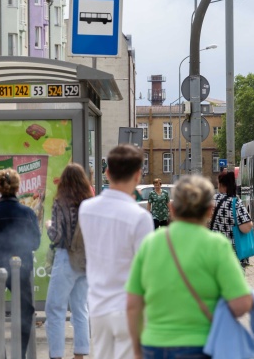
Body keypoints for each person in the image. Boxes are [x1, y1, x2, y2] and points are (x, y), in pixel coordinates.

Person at [126, 175, 253, 359]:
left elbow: (132, 304)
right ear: (210, 210)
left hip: (155, 345)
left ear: (171, 209)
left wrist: (137, 350)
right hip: (201, 345)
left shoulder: (149, 244)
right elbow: (241, 304)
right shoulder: (218, 246)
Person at [78, 144, 154, 359]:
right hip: (128, 307)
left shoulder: (86, 209)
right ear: (138, 175)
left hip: (98, 305)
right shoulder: (140, 218)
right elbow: (145, 271)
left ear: (107, 172)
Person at [0, 169, 41, 359]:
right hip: (22, 268)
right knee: (25, 313)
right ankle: (19, 354)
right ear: (18, 187)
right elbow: (35, 243)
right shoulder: (28, 212)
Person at [45, 163, 93, 359]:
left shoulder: (60, 201)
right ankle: (80, 354)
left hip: (66, 257)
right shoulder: (90, 202)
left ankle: (56, 355)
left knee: (55, 309)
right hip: (86, 260)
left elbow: (56, 236)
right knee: (80, 308)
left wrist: (49, 225)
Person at [210, 172, 253, 267]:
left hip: (214, 249)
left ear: (221, 184)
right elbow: (246, 227)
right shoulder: (235, 202)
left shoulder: (211, 201)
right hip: (233, 252)